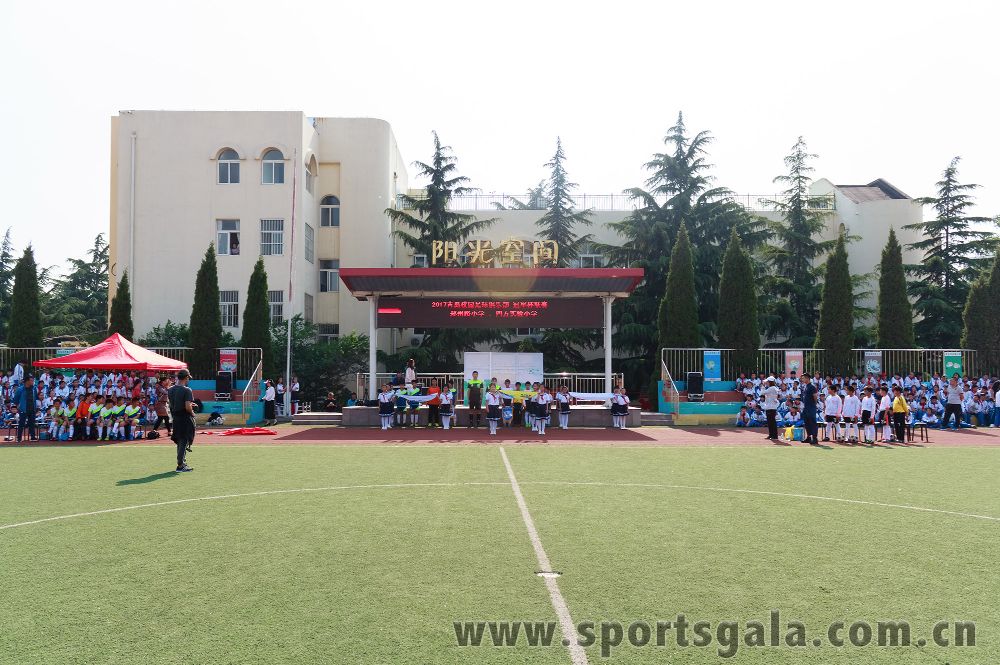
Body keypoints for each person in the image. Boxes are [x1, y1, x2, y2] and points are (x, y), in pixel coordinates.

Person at [168, 369, 196, 472]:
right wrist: (192, 413)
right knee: (184, 440)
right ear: (186, 377)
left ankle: (181, 463)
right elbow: (187, 407)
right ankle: (180, 465)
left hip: (175, 417)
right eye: (188, 378)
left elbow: (172, 404)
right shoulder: (187, 390)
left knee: (179, 440)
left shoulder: (170, 389)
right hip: (184, 417)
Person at [12, 375, 39, 443]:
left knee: (32, 423)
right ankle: (19, 438)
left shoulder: (34, 388)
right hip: (23, 409)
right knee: (21, 424)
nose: (33, 382)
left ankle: (32, 437)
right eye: (31, 380)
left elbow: (36, 397)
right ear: (27, 381)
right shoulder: (20, 389)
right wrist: (18, 406)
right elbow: (15, 399)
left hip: (32, 408)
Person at [800, 373, 819, 445]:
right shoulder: (806, 386)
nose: (802, 379)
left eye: (803, 378)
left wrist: (814, 405)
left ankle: (815, 438)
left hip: (811, 407)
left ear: (807, 378)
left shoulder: (812, 387)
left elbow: (815, 397)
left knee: (812, 423)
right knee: (807, 423)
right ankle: (809, 437)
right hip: (806, 407)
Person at [762, 376, 780, 440]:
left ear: (770, 382)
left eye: (767, 382)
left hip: (771, 407)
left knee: (772, 422)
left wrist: (763, 386)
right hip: (770, 407)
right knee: (770, 422)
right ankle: (771, 435)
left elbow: (762, 393)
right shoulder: (773, 388)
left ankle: (774, 436)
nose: (766, 383)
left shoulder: (772, 388)